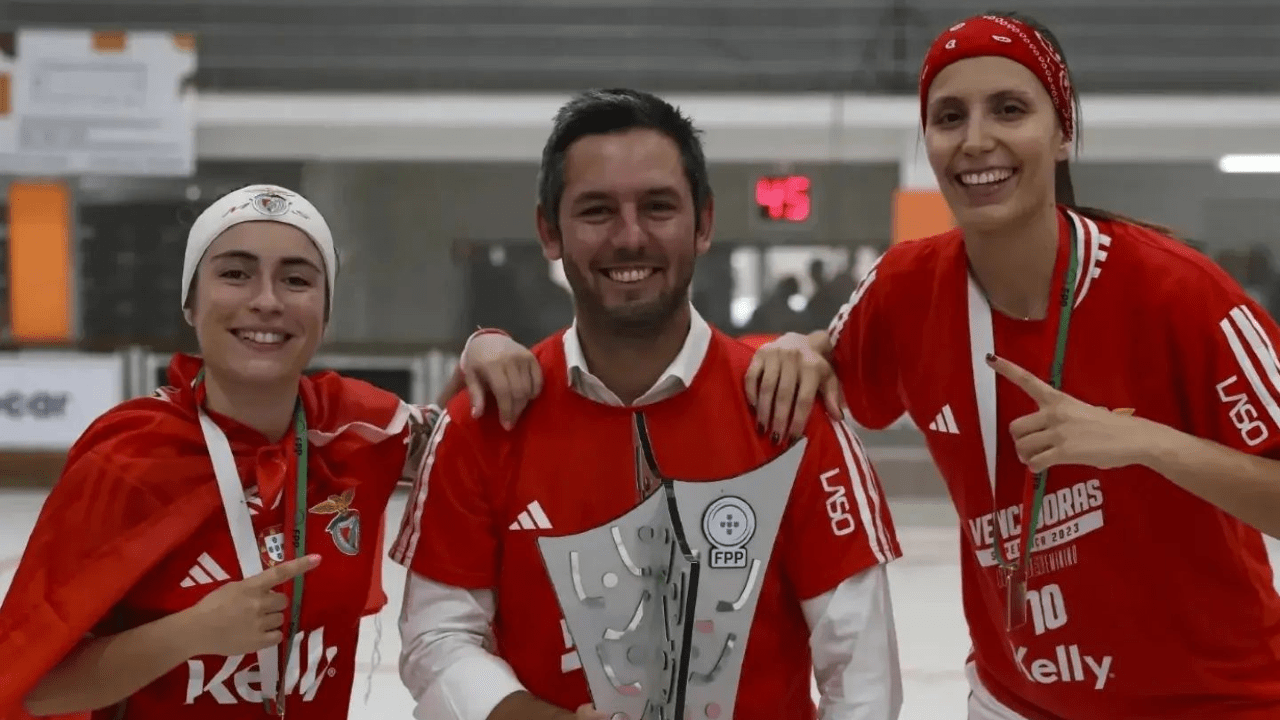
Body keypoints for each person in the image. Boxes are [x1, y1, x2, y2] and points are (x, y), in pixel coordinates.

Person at [448, 13, 1280, 720]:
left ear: (1063, 131)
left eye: (1009, 109)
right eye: (949, 116)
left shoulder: (1176, 290)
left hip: (1212, 700)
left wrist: (1142, 444)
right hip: (1017, 702)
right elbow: (821, 368)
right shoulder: (909, 286)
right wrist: (794, 351)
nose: (976, 139)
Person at [391, 88, 903, 720]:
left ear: (704, 223)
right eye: (597, 210)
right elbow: (437, 639)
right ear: (549, 231)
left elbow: (861, 672)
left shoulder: (786, 413)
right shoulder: (485, 423)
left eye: (658, 207)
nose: (629, 237)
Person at [0, 184, 433, 719]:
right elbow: (33, 685)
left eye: (297, 280)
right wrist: (189, 634)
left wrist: (490, 346)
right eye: (235, 273)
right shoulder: (126, 463)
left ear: (325, 311)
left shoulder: (357, 427)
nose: (267, 300)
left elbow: (465, 438)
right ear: (190, 301)